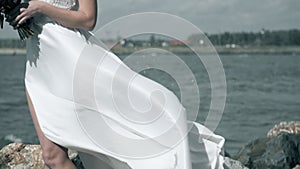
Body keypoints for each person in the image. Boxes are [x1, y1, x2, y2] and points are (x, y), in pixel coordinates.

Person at [11, 0, 226, 168]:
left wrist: (40, 7)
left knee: (114, 126)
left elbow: (87, 19)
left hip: (72, 59)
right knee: (52, 156)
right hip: (39, 63)